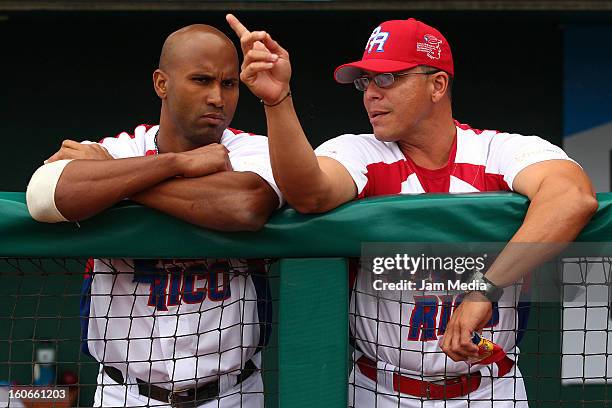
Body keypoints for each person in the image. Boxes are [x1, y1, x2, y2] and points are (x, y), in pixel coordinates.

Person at [226, 14, 598, 407]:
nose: (371, 93)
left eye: (387, 78)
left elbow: (573, 197)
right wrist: (277, 100)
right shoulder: (360, 150)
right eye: (365, 81)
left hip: (491, 388)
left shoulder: (497, 151)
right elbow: (308, 194)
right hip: (381, 389)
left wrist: (483, 290)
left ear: (437, 84)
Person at [26, 24, 283, 408]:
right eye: (201, 80)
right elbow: (46, 195)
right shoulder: (122, 147)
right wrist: (178, 164)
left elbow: (244, 205)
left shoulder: (252, 150)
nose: (217, 97)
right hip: (124, 392)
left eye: (229, 84)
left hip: (231, 392)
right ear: (162, 84)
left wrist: (120, 181)